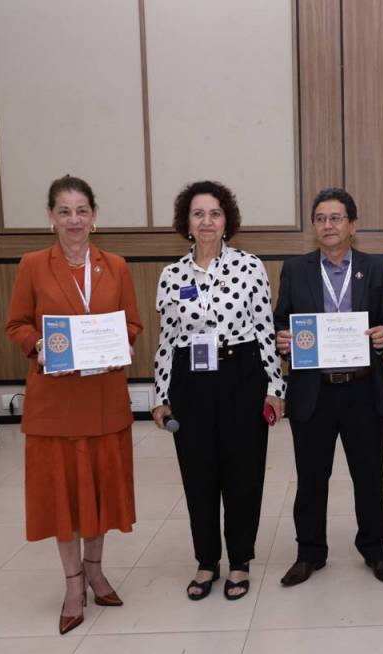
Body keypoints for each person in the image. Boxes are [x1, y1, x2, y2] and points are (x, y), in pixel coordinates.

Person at [6, 175, 143, 635]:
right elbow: (17, 324)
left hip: (103, 401)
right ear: (51, 217)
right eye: (64, 211)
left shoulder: (115, 266)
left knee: (99, 494)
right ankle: (72, 584)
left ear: (94, 216)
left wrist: (119, 343)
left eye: (82, 210)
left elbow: (133, 323)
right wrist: (38, 345)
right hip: (55, 404)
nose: (74, 220)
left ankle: (96, 572)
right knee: (64, 497)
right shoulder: (32, 265)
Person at [151, 180, 285, 601]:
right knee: (198, 474)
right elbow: (167, 339)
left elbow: (264, 330)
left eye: (214, 213)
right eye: (198, 214)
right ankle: (206, 560)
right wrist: (160, 395)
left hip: (241, 375)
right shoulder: (171, 275)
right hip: (190, 380)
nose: (206, 221)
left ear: (227, 220)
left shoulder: (250, 266)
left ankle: (240, 559)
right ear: (187, 222)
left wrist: (275, 387)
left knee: (244, 473)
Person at [273, 187, 383, 586]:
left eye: (336, 218)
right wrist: (282, 338)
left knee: (369, 476)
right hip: (314, 390)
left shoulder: (375, 267)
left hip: (363, 389)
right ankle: (309, 553)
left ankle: (376, 550)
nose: (328, 225)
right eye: (320, 219)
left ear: (352, 225)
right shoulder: (295, 269)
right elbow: (280, 319)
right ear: (314, 227)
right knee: (311, 478)